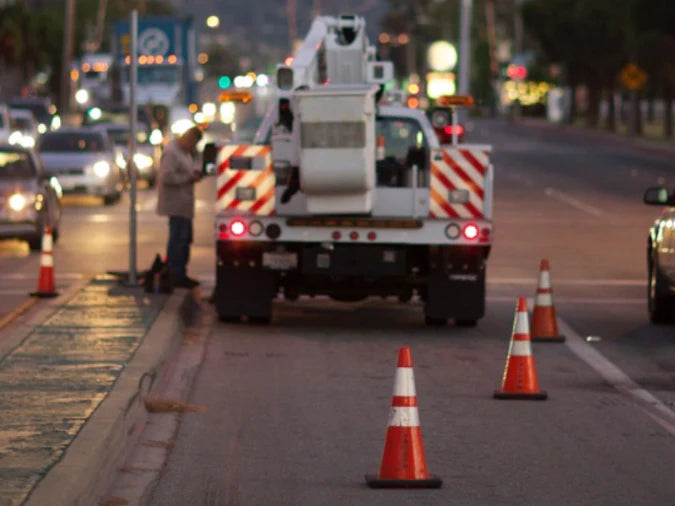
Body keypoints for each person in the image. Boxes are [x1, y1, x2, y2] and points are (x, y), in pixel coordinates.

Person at [156, 126, 203, 288]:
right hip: (176, 204)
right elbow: (166, 176)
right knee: (178, 240)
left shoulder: (184, 152)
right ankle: (175, 274)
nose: (192, 148)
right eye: (192, 144)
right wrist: (188, 177)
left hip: (183, 204)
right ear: (187, 138)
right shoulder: (172, 152)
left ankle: (180, 273)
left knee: (185, 239)